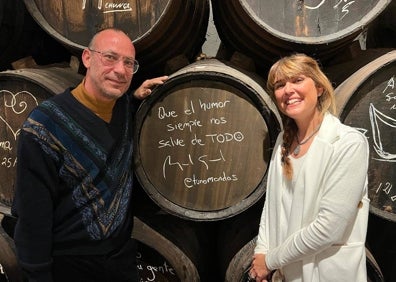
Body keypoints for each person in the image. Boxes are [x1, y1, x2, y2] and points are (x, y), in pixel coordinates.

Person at [11, 28, 168, 282]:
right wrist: (38, 275)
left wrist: (137, 97)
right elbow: (31, 217)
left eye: (129, 63)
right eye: (110, 57)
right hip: (68, 266)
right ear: (86, 58)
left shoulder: (125, 111)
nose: (120, 70)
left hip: (119, 261)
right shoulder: (44, 125)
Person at [249, 53, 370, 281]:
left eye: (297, 80)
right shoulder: (283, 141)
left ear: (319, 87)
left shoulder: (346, 143)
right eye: (280, 85)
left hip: (327, 273)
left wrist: (271, 260)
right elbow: (272, 206)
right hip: (287, 272)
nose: (288, 90)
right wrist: (261, 253)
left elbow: (328, 228)